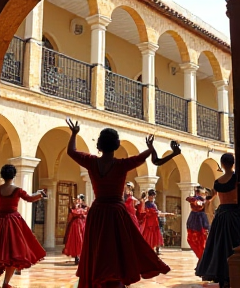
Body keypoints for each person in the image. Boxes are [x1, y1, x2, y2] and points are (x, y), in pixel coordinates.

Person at [65, 118, 181, 288]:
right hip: (116, 212)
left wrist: (74, 134)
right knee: (117, 248)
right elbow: (152, 159)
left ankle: (97, 279)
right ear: (117, 145)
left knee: (98, 248)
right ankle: (116, 280)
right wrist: (153, 148)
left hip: (98, 211)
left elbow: (71, 151)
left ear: (99, 145)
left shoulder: (91, 162)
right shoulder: (122, 164)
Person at [0, 164, 47, 288]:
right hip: (13, 222)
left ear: (2, 176)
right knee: (14, 252)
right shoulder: (17, 190)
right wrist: (40, 194)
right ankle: (6, 283)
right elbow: (30, 199)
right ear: (14, 175)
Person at [196, 153, 240, 288]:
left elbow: (210, 197)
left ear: (222, 164)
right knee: (234, 242)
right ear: (233, 163)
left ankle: (222, 275)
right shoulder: (236, 179)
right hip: (234, 214)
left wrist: (201, 202)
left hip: (221, 215)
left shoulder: (217, 182)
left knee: (219, 245)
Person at [62, 194, 88, 265]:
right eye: (76, 199)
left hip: (82, 225)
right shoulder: (73, 208)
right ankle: (77, 256)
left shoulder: (85, 207)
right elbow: (70, 218)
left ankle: (82, 256)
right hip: (75, 226)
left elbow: (86, 215)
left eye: (78, 199)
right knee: (75, 240)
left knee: (82, 240)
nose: (77, 200)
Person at [186, 186, 210, 260]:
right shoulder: (195, 200)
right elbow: (198, 204)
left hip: (202, 220)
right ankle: (201, 257)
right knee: (194, 239)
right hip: (196, 220)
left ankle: (202, 258)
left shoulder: (204, 200)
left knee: (203, 239)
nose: (205, 194)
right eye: (203, 192)